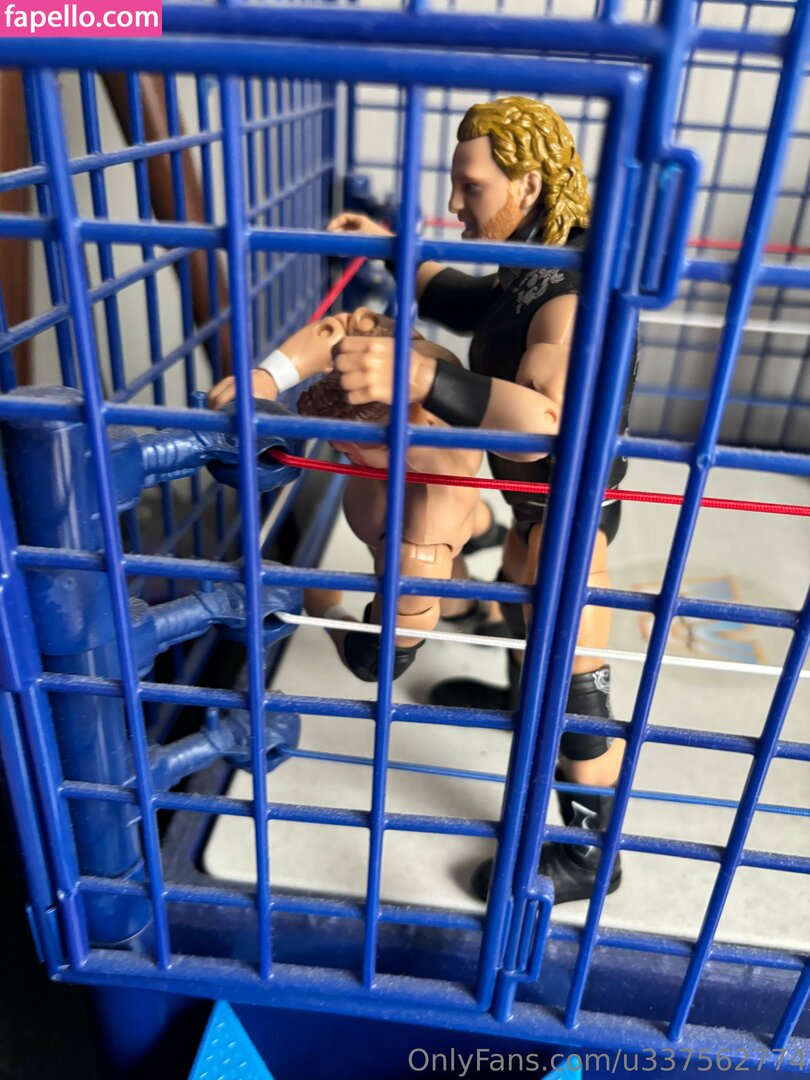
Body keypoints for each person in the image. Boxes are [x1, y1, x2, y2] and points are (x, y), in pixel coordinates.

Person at [327, 96, 634, 904]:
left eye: (471, 187)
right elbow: (465, 303)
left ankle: (591, 851)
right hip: (532, 511)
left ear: (527, 185)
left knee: (576, 683)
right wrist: (392, 250)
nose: (455, 203)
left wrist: (422, 376)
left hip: (569, 514)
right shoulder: (530, 261)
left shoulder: (568, 296)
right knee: (525, 614)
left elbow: (542, 425)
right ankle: (516, 696)